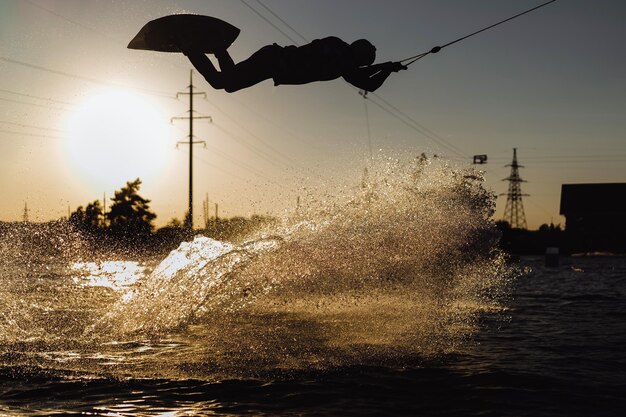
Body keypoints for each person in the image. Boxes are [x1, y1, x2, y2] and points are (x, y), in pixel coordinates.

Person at [178, 36, 407, 93]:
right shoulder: (342, 59)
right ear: (358, 55)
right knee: (223, 83)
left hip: (272, 59)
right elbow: (367, 83)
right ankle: (194, 49)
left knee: (227, 82)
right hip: (273, 62)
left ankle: (216, 49)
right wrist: (386, 68)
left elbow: (358, 73)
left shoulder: (339, 50)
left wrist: (387, 66)